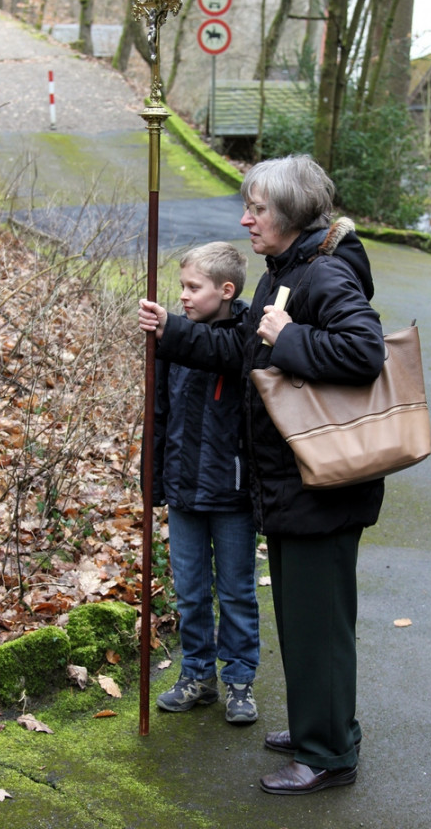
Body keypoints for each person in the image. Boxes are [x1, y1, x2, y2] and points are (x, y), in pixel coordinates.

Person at [139, 155, 385, 794]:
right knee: (308, 621)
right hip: (296, 484)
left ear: (293, 215)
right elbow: (239, 351)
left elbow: (363, 352)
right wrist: (172, 329)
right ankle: (319, 727)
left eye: (259, 209)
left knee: (319, 624)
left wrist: (290, 336)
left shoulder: (324, 274)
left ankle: (328, 756)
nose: (246, 219)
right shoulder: (290, 271)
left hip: (321, 484)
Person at [150, 242, 260, 724]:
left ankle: (239, 680)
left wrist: (168, 331)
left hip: (231, 493)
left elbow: (225, 355)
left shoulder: (247, 336)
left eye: (194, 288)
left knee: (235, 591)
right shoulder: (175, 341)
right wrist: (154, 483)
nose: (185, 297)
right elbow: (159, 415)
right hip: (184, 490)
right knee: (190, 590)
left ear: (227, 290)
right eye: (182, 287)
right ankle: (196, 673)